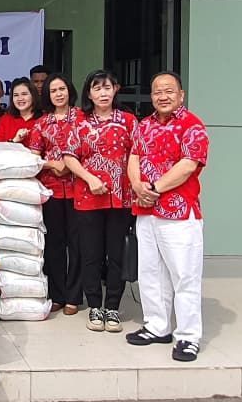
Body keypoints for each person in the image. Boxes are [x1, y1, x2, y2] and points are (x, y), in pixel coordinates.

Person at [125, 72, 209, 362]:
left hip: (178, 212)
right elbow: (134, 156)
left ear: (181, 95)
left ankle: (188, 336)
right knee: (150, 272)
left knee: (184, 276)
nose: (163, 96)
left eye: (169, 91)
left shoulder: (193, 126)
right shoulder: (144, 125)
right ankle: (156, 325)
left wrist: (154, 188)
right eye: (157, 92)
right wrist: (137, 185)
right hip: (146, 210)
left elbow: (188, 165)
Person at [59, 69, 138, 333]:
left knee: (116, 255)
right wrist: (89, 178)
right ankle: (95, 305)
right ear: (89, 94)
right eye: (97, 88)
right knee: (90, 254)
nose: (103, 93)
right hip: (88, 198)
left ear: (115, 90)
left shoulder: (128, 121)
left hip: (121, 199)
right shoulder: (80, 122)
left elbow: (138, 156)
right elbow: (69, 156)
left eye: (107, 87)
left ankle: (112, 306)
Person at [27, 73, 83, 315]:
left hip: (79, 189)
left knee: (78, 244)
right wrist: (52, 164)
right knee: (54, 244)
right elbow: (34, 157)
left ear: (69, 91)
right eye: (53, 91)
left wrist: (69, 166)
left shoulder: (83, 118)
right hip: (51, 189)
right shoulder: (41, 123)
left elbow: (90, 150)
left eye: (62, 89)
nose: (58, 94)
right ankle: (58, 294)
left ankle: (74, 296)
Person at [0, 78, 42, 143]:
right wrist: (14, 140)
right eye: (16, 95)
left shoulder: (44, 120)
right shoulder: (6, 119)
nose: (20, 98)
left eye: (24, 94)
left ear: (33, 95)